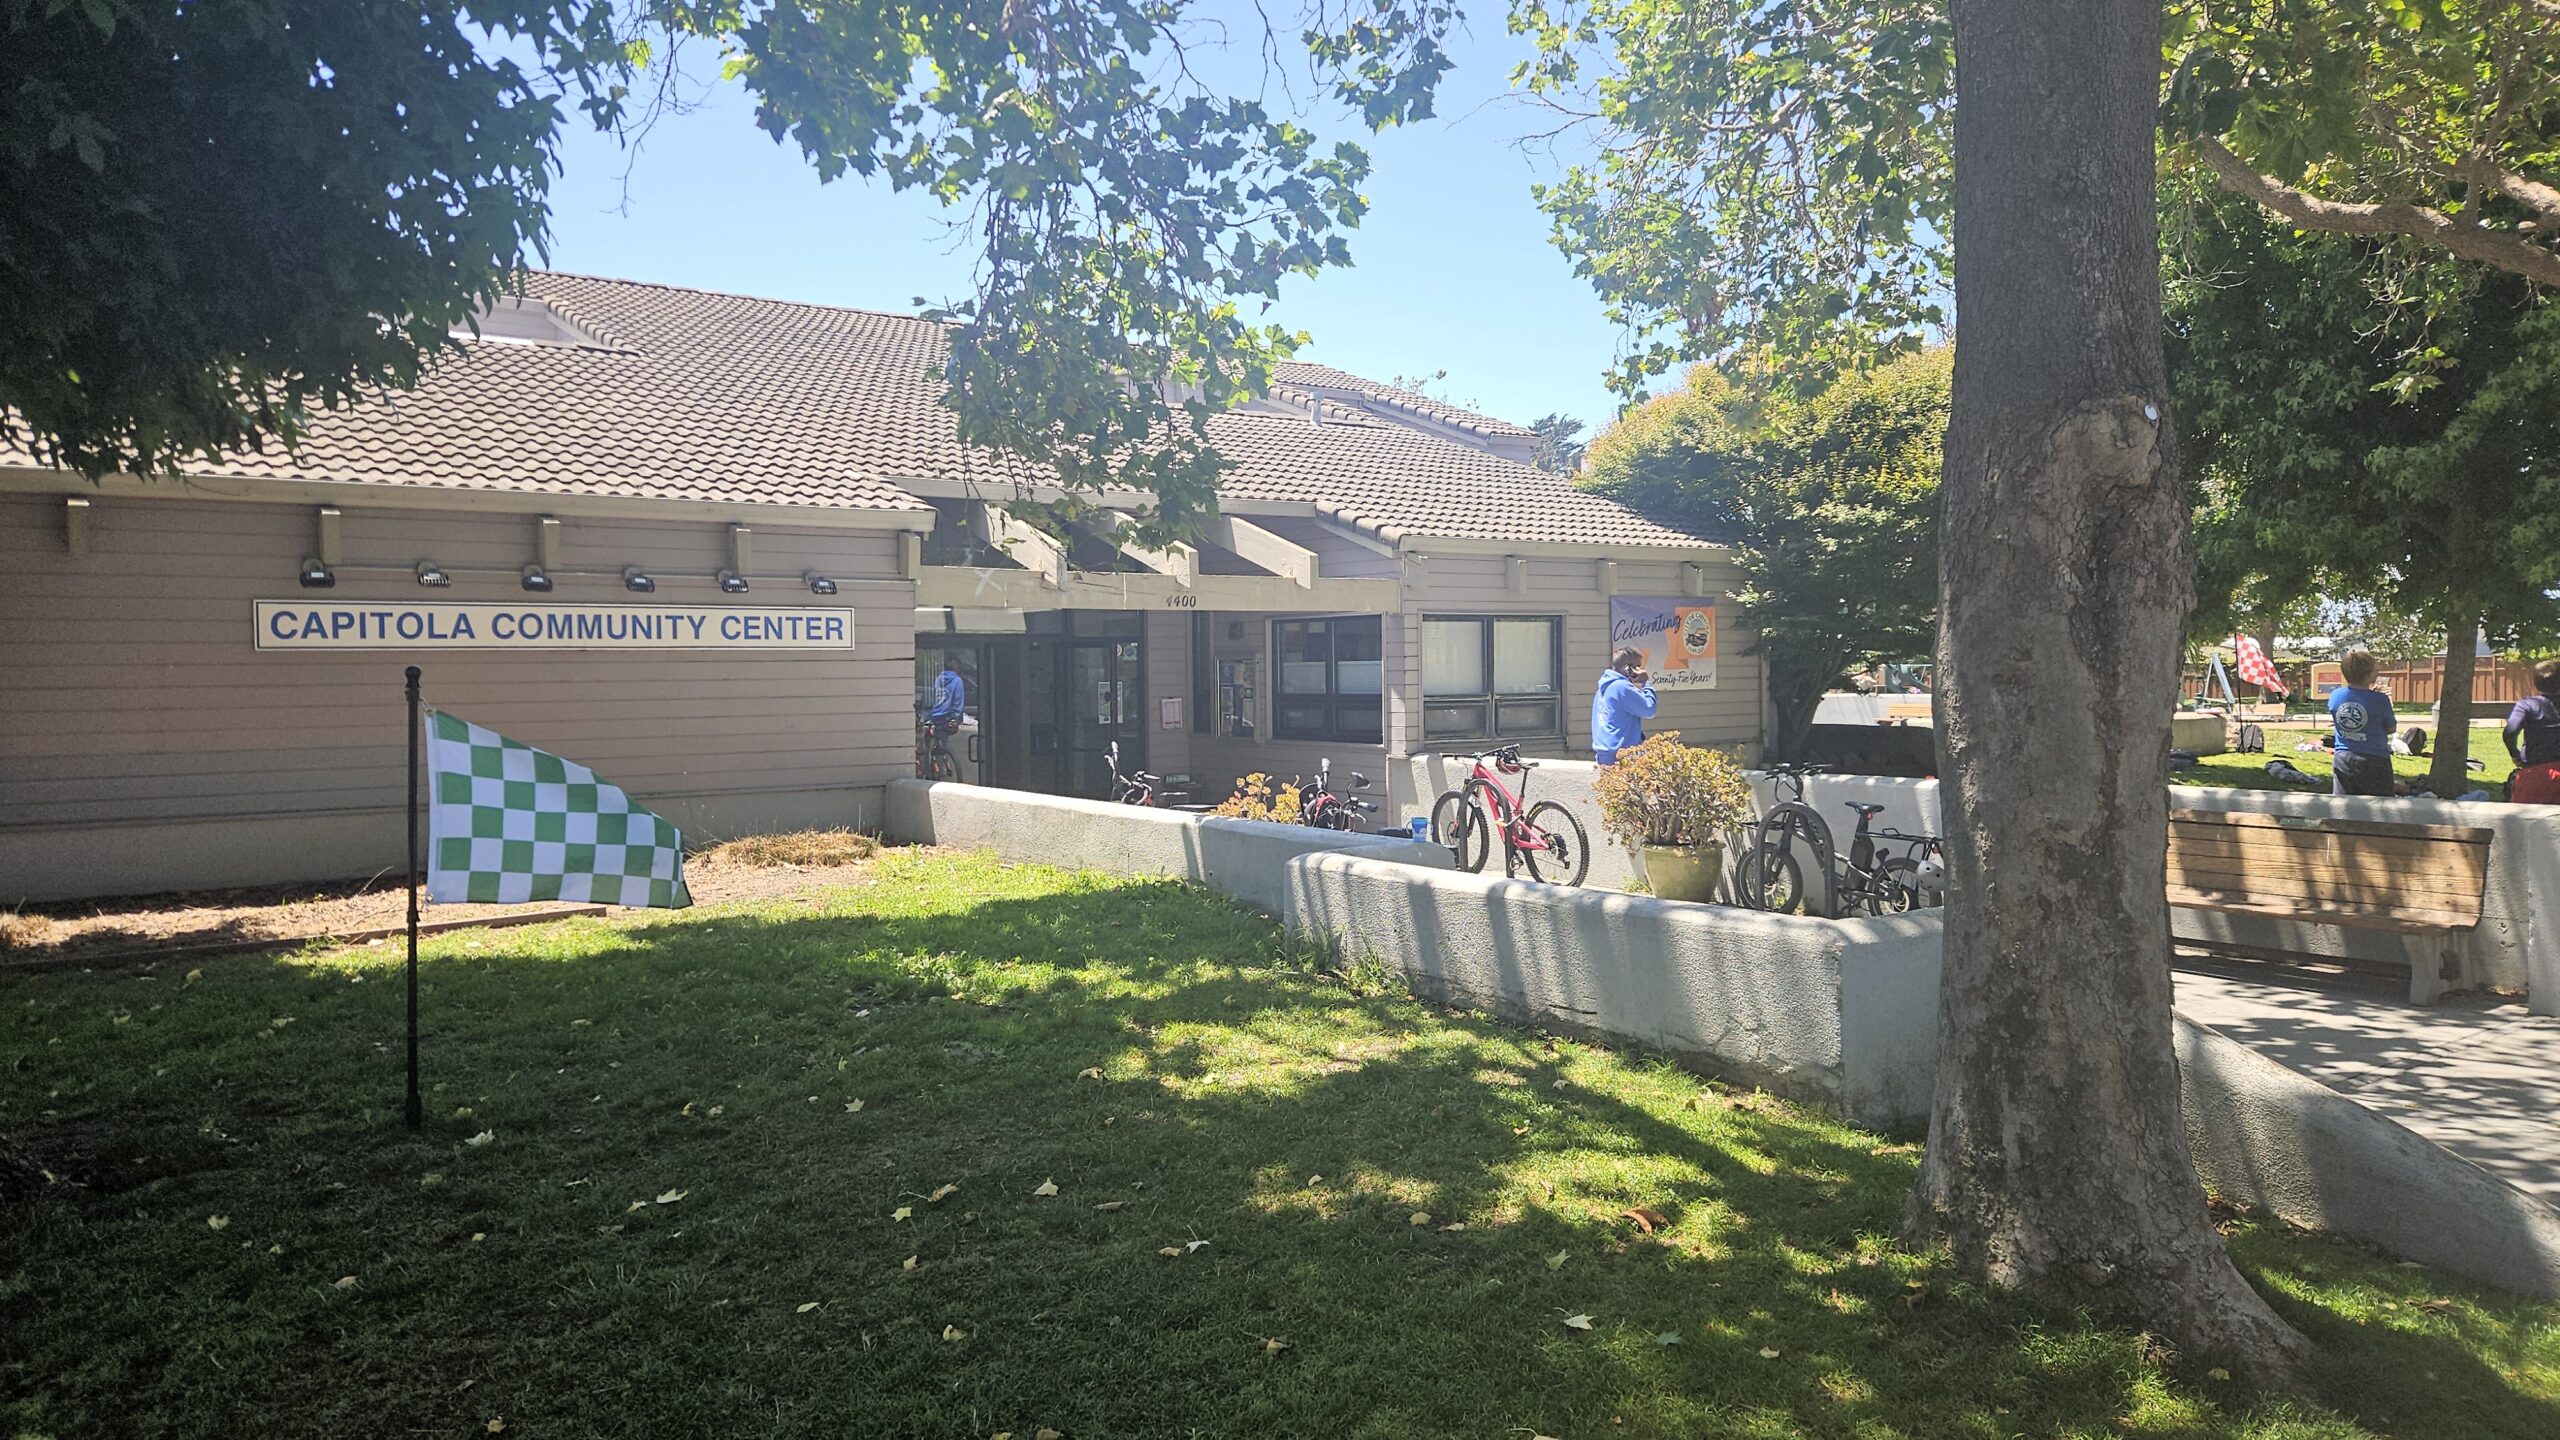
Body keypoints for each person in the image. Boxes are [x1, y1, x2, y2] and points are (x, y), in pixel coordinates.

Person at [2327, 650, 2398, 797]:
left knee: (2343, 807)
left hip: (2343, 757)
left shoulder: (2335, 695)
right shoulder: (2380, 700)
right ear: (2369, 673)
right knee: (2380, 807)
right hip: (2374, 760)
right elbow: (2391, 728)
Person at [2505, 659, 2560, 805]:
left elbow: (2510, 732)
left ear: (2536, 682)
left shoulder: (2528, 705)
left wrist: (2514, 754)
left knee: (2525, 822)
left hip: (2536, 773)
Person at [1592, 646, 1659, 766]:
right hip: (1621, 754)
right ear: (1628, 668)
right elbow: (1649, 709)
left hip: (1604, 752)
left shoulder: (1604, 687)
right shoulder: (1622, 687)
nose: (1640, 670)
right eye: (1638, 666)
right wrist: (1645, 682)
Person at [921, 663, 966, 737]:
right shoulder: (957, 680)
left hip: (932, 715)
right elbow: (958, 701)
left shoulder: (938, 678)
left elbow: (932, 695)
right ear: (956, 668)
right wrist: (956, 718)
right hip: (946, 717)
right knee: (943, 741)